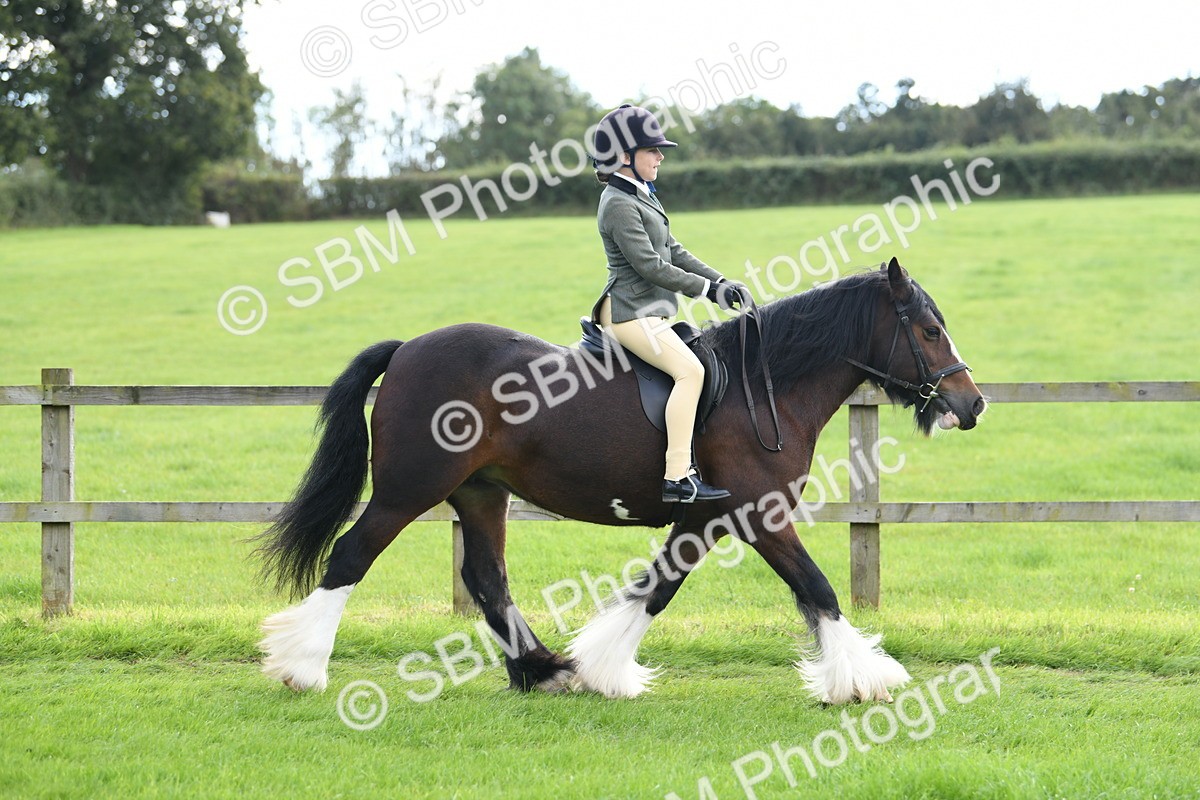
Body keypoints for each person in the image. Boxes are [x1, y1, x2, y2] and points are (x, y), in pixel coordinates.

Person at [589, 104, 748, 503]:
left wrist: (720, 279)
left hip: (649, 311)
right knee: (690, 372)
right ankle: (677, 478)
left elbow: (674, 250)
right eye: (652, 150)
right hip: (629, 313)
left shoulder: (641, 196)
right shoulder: (618, 204)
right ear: (625, 156)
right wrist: (708, 292)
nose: (661, 156)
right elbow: (652, 266)